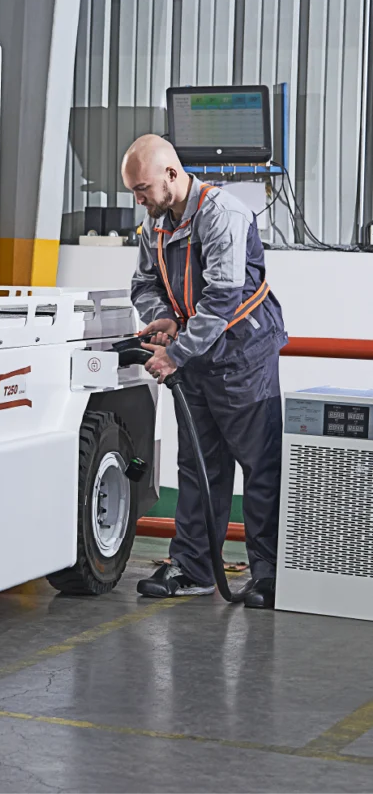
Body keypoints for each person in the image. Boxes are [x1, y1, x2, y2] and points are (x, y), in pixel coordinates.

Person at [121, 135, 287, 610]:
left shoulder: (224, 215)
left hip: (243, 356)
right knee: (198, 465)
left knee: (260, 467)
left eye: (142, 188)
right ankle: (193, 569)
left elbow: (221, 301)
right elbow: (144, 284)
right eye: (133, 191)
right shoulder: (155, 225)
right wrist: (166, 318)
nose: (139, 199)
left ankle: (268, 575)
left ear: (172, 175)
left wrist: (174, 354)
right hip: (195, 355)